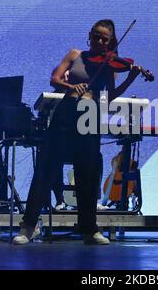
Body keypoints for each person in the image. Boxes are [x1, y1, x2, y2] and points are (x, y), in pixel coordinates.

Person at [13, 19, 142, 245]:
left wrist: (131, 77)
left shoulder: (110, 64)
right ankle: (28, 226)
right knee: (47, 165)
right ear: (89, 35)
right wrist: (71, 87)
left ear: (111, 42)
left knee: (88, 172)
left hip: (90, 114)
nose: (100, 41)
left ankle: (89, 230)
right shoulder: (75, 54)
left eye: (105, 39)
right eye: (97, 36)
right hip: (67, 109)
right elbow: (54, 78)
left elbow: (109, 97)